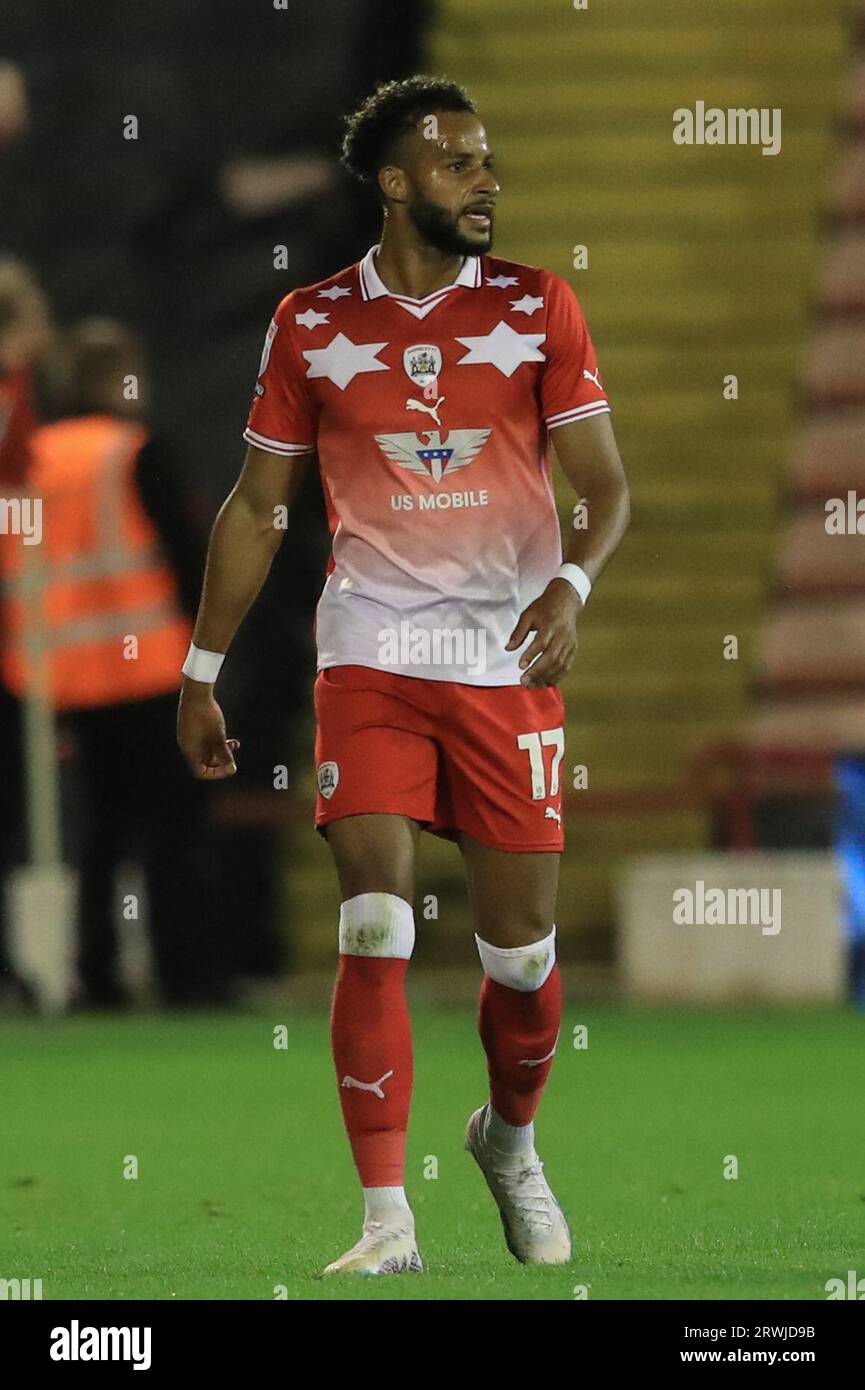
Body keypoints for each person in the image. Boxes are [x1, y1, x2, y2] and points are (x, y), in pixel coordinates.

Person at [177, 76, 630, 1274]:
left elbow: (607, 486)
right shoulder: (311, 323)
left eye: (490, 161)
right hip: (370, 651)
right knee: (372, 917)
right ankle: (386, 1221)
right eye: (459, 164)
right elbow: (259, 507)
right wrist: (200, 668)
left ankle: (509, 1139)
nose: (487, 182)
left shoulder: (538, 307)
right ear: (393, 181)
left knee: (519, 962)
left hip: (503, 662)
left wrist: (570, 588)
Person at [2, 318, 227, 1008]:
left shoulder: (31, 454)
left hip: (62, 676)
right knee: (173, 830)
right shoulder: (135, 450)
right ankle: (186, 975)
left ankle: (97, 977)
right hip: (152, 670)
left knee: (98, 833)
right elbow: (190, 562)